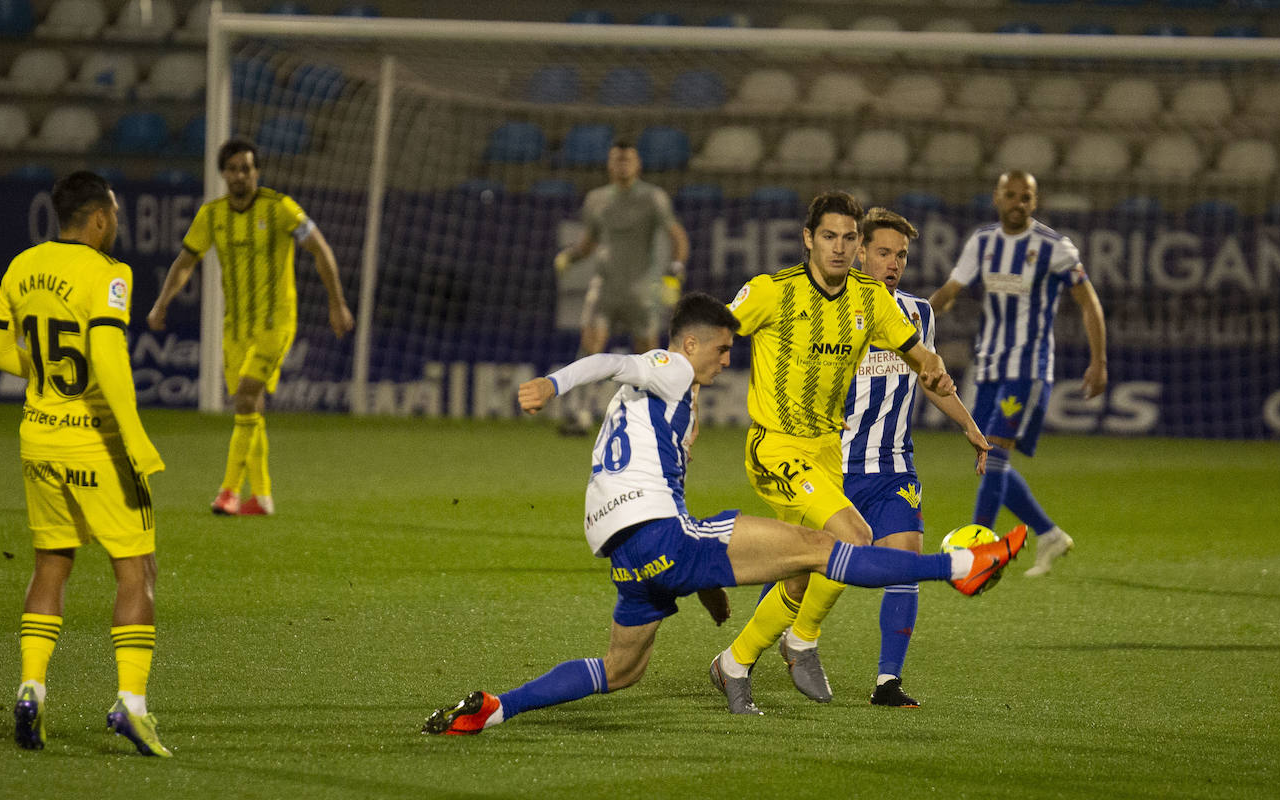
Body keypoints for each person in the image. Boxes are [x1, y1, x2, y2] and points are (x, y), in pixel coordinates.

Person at [421, 293, 1026, 734]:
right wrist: (551, 385)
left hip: (630, 557)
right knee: (820, 546)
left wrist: (706, 581)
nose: (726, 360)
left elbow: (662, 489)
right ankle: (962, 564)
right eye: (722, 348)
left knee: (619, 669)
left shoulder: (659, 410)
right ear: (690, 343)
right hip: (662, 535)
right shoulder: (670, 367)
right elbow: (610, 361)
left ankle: (495, 708)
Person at [711, 191, 972, 714]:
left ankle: (734, 663)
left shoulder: (868, 299)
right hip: (775, 446)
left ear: (857, 245)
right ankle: (801, 639)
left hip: (827, 449)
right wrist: (684, 402)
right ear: (809, 239)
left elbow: (914, 348)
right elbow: (713, 333)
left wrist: (930, 363)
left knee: (803, 569)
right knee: (853, 536)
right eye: (828, 236)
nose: (839, 247)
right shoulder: (770, 292)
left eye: (848, 238)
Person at [0, 171, 172, 757]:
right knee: (136, 571)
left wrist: (45, 375)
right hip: (97, 445)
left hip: (39, 439)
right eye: (112, 214)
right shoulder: (109, 275)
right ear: (98, 219)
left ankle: (32, 689)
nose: (115, 223)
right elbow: (110, 361)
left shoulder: (21, 267)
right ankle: (132, 706)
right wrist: (137, 442)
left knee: (51, 564)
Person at [147, 137, 355, 516]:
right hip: (236, 328)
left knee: (244, 397)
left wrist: (336, 302)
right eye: (233, 169)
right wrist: (162, 302)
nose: (240, 175)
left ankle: (228, 491)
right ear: (223, 174)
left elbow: (320, 249)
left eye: (246, 168)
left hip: (277, 323)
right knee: (250, 407)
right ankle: (261, 496)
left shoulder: (280, 209)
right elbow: (185, 263)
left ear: (256, 171)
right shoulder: (212, 216)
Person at [835, 207, 990, 707]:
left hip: (894, 466)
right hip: (831, 467)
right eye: (883, 252)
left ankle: (887, 681)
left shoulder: (918, 313)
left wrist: (969, 426)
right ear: (860, 251)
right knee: (808, 572)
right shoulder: (832, 310)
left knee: (904, 564)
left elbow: (932, 380)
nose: (893, 262)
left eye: (900, 254)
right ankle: (742, 658)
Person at [930, 170, 1107, 578]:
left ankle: (980, 555)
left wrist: (1098, 361)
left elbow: (1088, 303)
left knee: (992, 457)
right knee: (988, 457)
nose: (1018, 203)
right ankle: (1049, 534)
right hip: (989, 365)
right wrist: (908, 322)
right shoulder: (984, 242)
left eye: (1025, 196)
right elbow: (949, 293)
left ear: (1035, 200)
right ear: (996, 198)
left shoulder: (1054, 247)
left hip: (1027, 370)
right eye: (1010, 195)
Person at [552, 140, 690, 434]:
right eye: (617, 160)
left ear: (638, 164)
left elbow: (677, 237)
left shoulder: (653, 198)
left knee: (648, 358)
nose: (622, 165)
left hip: (641, 290)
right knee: (590, 351)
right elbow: (589, 243)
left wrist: (674, 272)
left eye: (628, 160)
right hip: (604, 288)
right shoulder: (596, 199)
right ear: (609, 165)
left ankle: (651, 418)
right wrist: (570, 256)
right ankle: (582, 414)